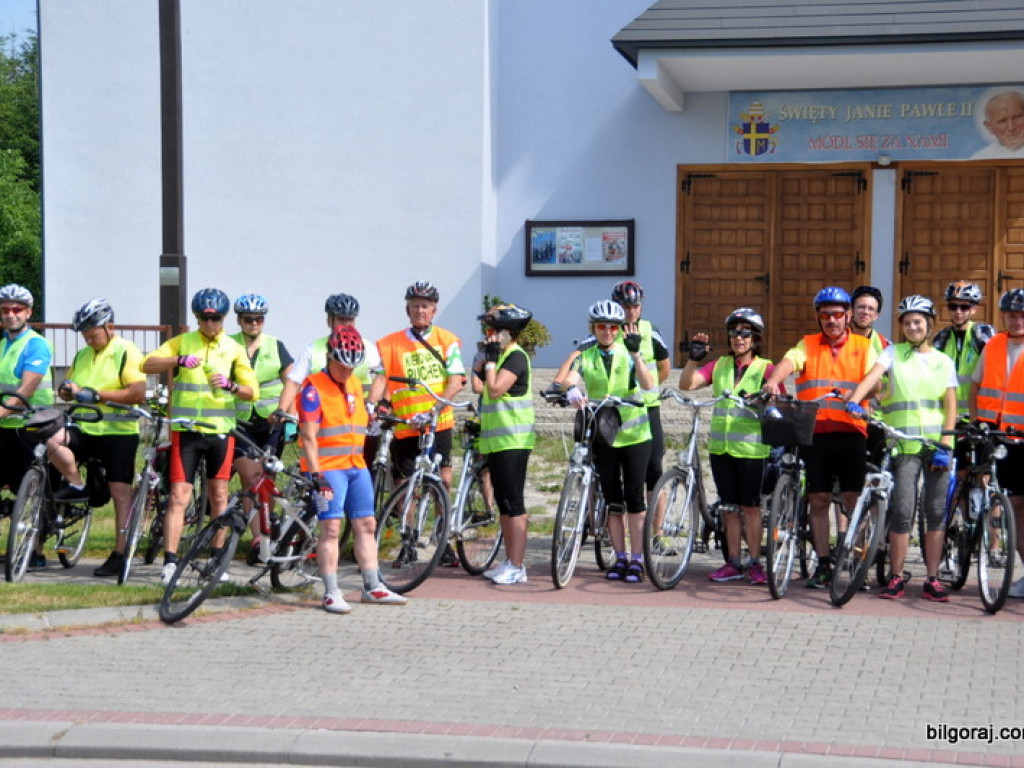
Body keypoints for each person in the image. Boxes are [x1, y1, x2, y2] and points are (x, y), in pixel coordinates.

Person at [141, 288, 259, 585]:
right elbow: (147, 364)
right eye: (205, 318)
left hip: (220, 432)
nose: (210, 324)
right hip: (187, 432)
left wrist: (232, 386)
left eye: (216, 318)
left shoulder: (233, 348)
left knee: (219, 496)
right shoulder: (183, 342)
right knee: (179, 497)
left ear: (223, 318)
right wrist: (176, 361)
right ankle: (170, 561)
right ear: (197, 318)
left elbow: (252, 391)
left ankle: (216, 561)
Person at [763, 287, 878, 589]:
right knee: (818, 499)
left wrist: (863, 393)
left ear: (848, 316)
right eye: (825, 315)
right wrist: (774, 381)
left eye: (838, 314)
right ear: (818, 317)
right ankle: (824, 563)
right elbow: (790, 362)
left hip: (852, 430)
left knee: (853, 499)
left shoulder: (864, 347)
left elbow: (876, 379)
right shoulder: (808, 344)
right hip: (815, 433)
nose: (832, 320)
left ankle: (855, 559)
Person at [846, 296, 956, 601]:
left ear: (929, 325)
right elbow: (871, 377)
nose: (912, 327)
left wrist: (945, 445)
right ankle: (896, 576)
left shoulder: (942, 361)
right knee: (903, 512)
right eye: (907, 323)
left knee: (935, 513)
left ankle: (932, 578)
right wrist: (855, 400)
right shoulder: (892, 353)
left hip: (936, 445)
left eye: (918, 322)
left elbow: (950, 408)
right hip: (904, 444)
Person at [298, 324, 406, 613]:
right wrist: (316, 474)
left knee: (366, 524)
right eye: (342, 365)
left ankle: (373, 586)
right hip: (328, 469)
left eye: (352, 366)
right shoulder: (312, 388)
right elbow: (308, 434)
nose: (347, 371)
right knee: (331, 528)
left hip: (356, 465)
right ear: (329, 357)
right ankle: (331, 592)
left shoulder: (355, 385)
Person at [550, 300, 654, 583]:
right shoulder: (588, 355)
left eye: (612, 327)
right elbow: (571, 377)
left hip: (634, 436)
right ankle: (619, 557)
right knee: (612, 499)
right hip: (604, 434)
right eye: (601, 326)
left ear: (620, 329)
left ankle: (638, 559)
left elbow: (647, 385)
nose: (607, 332)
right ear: (593, 328)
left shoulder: (629, 352)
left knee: (634, 498)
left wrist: (636, 355)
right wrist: (571, 389)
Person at [46, 300, 147, 577]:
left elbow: (138, 392)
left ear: (109, 327)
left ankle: (120, 553)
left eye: (93, 334)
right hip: (85, 428)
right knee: (52, 438)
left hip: (118, 434)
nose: (89, 339)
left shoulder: (126, 351)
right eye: (85, 335)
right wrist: (67, 390)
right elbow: (71, 386)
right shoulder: (82, 354)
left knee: (120, 493)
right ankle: (77, 485)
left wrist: (99, 395)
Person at [679, 308, 775, 585]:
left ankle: (755, 562)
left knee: (751, 508)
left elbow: (776, 391)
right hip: (721, 449)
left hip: (751, 450)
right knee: (729, 508)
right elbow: (687, 384)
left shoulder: (764, 367)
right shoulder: (720, 365)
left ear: (755, 338)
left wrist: (769, 393)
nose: (739, 338)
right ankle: (733, 562)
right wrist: (693, 359)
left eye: (745, 333)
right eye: (734, 333)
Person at [553, 281, 670, 495]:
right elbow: (573, 359)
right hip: (608, 409)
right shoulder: (605, 331)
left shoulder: (651, 331)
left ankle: (656, 528)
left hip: (645, 407)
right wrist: (559, 385)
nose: (631, 311)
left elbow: (664, 367)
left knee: (653, 469)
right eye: (626, 306)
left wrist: (645, 389)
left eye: (635, 306)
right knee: (613, 473)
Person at [368, 282, 466, 489]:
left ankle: (443, 521)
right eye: (415, 306)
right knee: (403, 485)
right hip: (405, 423)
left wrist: (434, 411)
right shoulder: (390, 343)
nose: (420, 310)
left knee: (443, 478)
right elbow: (380, 377)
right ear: (407, 310)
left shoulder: (447, 340)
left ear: (433, 311)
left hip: (437, 422)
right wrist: (371, 405)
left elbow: (456, 383)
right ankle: (406, 523)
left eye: (425, 306)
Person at [472, 303, 535, 585]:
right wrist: (482, 363)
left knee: (514, 502)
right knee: (503, 504)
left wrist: (489, 363)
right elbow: (478, 386)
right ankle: (509, 561)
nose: (489, 336)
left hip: (514, 439)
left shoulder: (516, 357)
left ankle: (518, 565)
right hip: (497, 441)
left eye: (493, 331)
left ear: (508, 333)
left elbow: (495, 389)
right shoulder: (499, 357)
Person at [279, 293, 382, 465]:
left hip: (360, 424)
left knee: (365, 469)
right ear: (329, 321)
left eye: (351, 320)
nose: (347, 324)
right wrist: (283, 411)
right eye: (342, 319)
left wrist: (372, 403)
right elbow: (293, 381)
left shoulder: (366, 348)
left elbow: (382, 376)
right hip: (326, 427)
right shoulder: (314, 349)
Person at [229, 293, 294, 563]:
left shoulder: (275, 345)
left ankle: (267, 531)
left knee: (267, 480)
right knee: (250, 477)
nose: (254, 323)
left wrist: (287, 413)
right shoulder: (228, 344)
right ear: (239, 320)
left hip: (270, 424)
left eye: (258, 319)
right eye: (248, 319)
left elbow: (291, 381)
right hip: (240, 423)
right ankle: (257, 540)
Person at [970, 288, 1024, 599]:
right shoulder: (994, 344)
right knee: (1014, 506)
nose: (1017, 320)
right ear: (1003, 316)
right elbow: (975, 385)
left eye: (1022, 315)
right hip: (996, 435)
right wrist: (978, 421)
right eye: (1011, 314)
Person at [0, 284, 53, 568]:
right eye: (6, 309)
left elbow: (27, 389)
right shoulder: (2, 344)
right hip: (4, 425)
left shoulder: (36, 344)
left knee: (32, 491)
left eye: (17, 309)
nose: (11, 314)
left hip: (30, 426)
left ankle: (36, 550)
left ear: (28, 312)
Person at [933, 281, 995, 419]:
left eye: (964, 307)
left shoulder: (982, 334)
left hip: (976, 415)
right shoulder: (941, 338)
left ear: (974, 309)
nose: (958, 312)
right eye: (953, 306)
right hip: (948, 416)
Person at [971, 89, 1024, 159]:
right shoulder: (980, 158)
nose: (1011, 127)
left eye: (1017, 117)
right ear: (989, 127)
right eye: (1002, 121)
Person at [849, 286, 890, 355]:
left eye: (871, 309)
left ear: (876, 316)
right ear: (852, 311)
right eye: (861, 307)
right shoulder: (837, 341)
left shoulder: (885, 346)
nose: (865, 312)